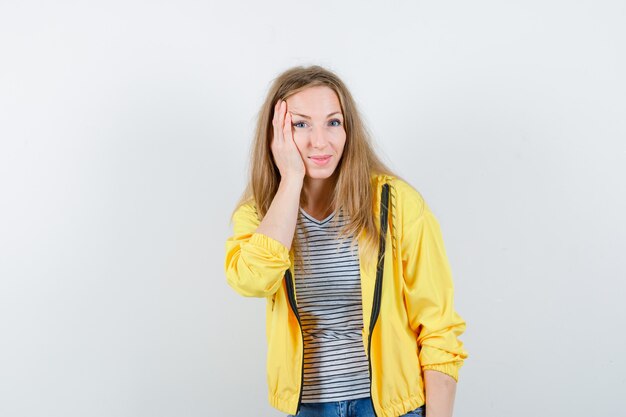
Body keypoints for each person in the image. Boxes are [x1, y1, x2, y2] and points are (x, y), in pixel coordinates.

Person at [224, 65, 468, 417]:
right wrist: (291, 179)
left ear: (349, 129)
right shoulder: (259, 215)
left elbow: (438, 325)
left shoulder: (396, 203)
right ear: (275, 134)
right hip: (308, 407)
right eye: (300, 124)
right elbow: (251, 280)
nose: (319, 141)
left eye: (333, 122)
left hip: (392, 408)